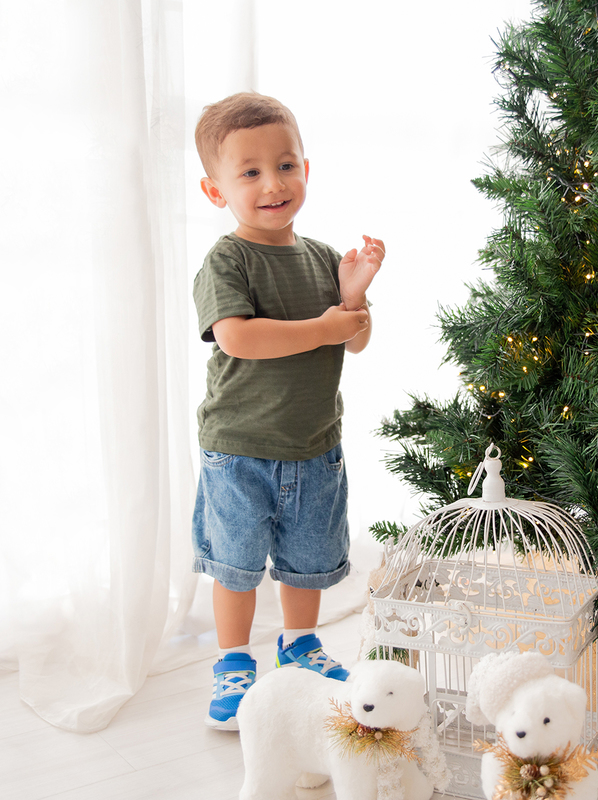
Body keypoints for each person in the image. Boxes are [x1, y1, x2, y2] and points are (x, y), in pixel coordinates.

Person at [190, 92, 383, 730]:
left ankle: (299, 645)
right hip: (239, 446)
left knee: (307, 557)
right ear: (216, 190)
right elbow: (238, 338)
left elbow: (353, 339)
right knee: (236, 562)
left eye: (286, 165)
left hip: (313, 444)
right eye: (249, 172)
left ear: (306, 168)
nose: (273, 184)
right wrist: (325, 326)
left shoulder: (325, 258)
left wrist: (352, 298)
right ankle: (233, 658)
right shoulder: (229, 259)